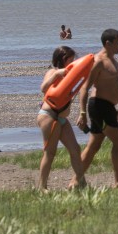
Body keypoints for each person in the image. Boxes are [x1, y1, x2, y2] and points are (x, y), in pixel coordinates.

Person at [76, 29, 118, 188]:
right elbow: (84, 88)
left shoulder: (113, 61)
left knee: (93, 146)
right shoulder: (99, 61)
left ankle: (75, 181)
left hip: (108, 107)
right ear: (108, 43)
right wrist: (82, 113)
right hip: (99, 107)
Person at [37, 45, 86, 190]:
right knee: (50, 152)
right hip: (49, 116)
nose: (74, 61)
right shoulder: (52, 72)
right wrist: (57, 74)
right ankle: (42, 187)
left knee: (75, 149)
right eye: (71, 59)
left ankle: (81, 183)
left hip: (62, 119)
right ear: (63, 59)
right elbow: (43, 88)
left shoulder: (70, 76)